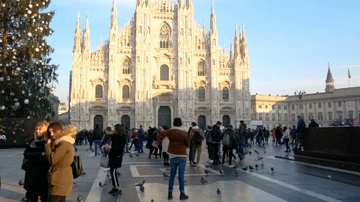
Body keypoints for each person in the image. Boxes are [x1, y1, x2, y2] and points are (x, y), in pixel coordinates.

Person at [45, 122, 77, 202]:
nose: (51, 134)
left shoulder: (64, 144)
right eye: (50, 132)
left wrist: (47, 145)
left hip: (59, 180)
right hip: (62, 178)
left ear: (60, 131)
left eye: (53, 131)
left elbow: (52, 159)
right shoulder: (64, 143)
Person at [23, 121, 50, 202]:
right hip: (31, 175)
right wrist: (40, 154)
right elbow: (26, 154)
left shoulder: (48, 142)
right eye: (36, 129)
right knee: (32, 197)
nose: (37, 131)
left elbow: (47, 158)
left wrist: (34, 155)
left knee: (45, 196)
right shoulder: (32, 141)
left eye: (40, 129)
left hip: (43, 175)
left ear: (45, 130)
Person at [165, 118, 190, 200]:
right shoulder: (184, 133)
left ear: (173, 123)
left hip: (172, 155)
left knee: (172, 175)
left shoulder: (169, 132)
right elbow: (188, 144)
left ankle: (170, 193)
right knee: (181, 175)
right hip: (182, 156)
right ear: (181, 124)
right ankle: (182, 193)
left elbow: (163, 134)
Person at [105, 124, 126, 196]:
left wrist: (111, 148)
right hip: (112, 156)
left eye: (115, 129)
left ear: (118, 130)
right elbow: (109, 137)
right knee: (112, 172)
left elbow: (120, 148)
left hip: (117, 156)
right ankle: (115, 187)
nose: (114, 130)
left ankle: (118, 189)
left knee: (113, 173)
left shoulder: (122, 137)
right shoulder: (115, 136)